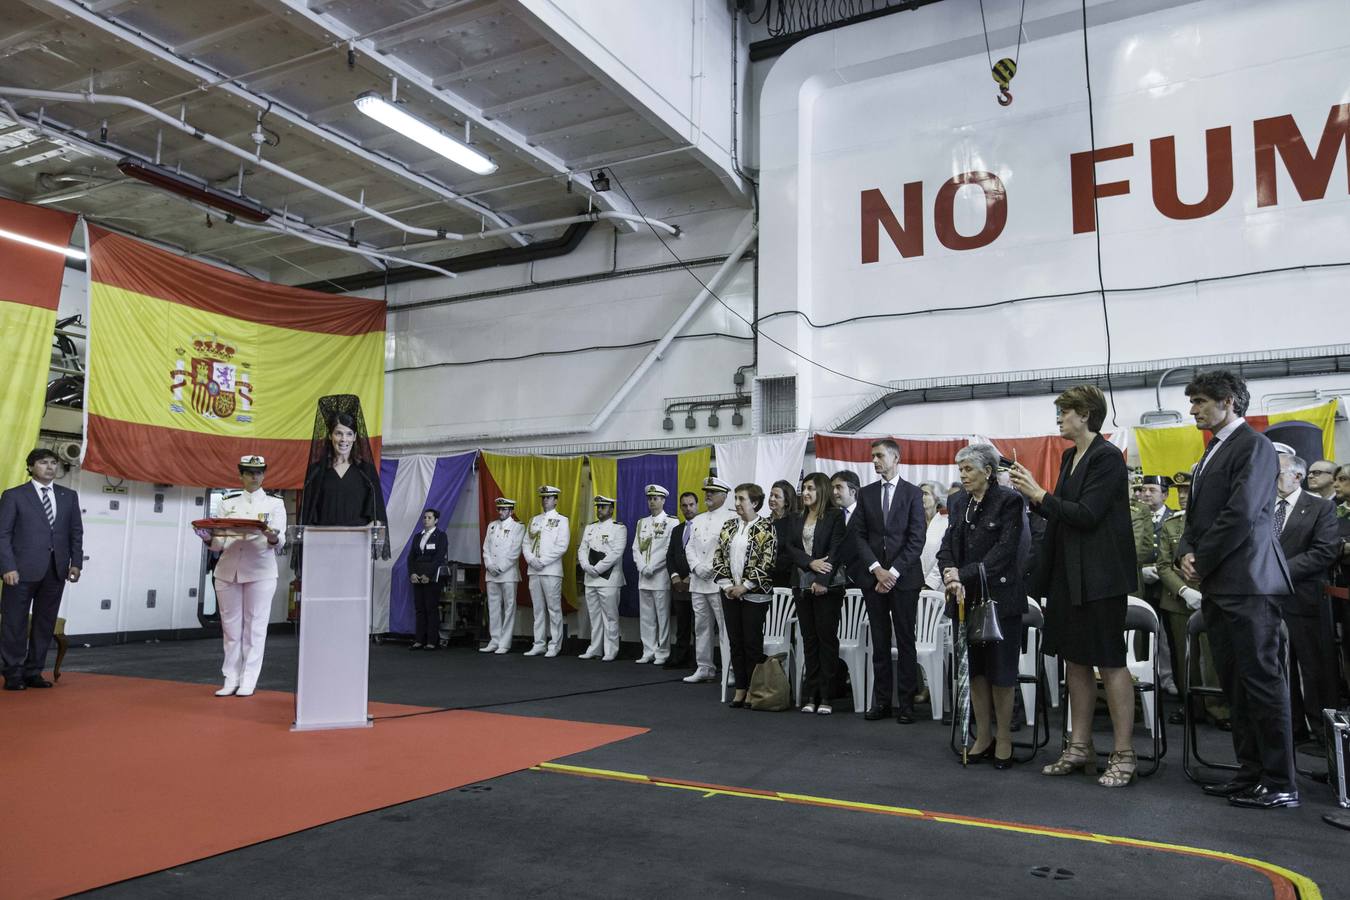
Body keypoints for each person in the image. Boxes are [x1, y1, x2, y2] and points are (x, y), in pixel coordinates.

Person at [1176, 369, 1297, 809]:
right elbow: (1195, 516)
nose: (1193, 409)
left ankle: (1280, 781)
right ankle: (1251, 774)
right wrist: (1186, 550)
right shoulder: (1213, 451)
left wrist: (1201, 558)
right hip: (1223, 585)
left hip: (1250, 584)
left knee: (1262, 682)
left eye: (1200, 402)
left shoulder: (1254, 446)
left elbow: (1241, 513)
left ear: (1227, 402)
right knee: (1237, 684)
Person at [1009, 385, 1139, 788]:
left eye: (1065, 412)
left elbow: (1086, 514)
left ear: (1085, 414)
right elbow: (1060, 511)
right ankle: (1080, 746)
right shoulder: (1069, 455)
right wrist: (1033, 493)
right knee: (1075, 661)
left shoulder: (1107, 458)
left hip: (1101, 577)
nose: (1059, 418)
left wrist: (1039, 494)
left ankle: (1124, 753)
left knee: (1110, 662)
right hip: (1069, 576)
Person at [939, 443, 1030, 768]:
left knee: (1001, 673)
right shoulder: (957, 501)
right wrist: (950, 575)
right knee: (975, 671)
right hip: (964, 598)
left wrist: (961, 575)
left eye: (968, 469)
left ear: (988, 472)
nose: (962, 475)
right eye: (960, 469)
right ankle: (984, 736)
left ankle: (1004, 737)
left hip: (1000, 599)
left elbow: (1004, 552)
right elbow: (947, 545)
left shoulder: (1009, 501)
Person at [851, 439, 926, 724]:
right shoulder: (867, 494)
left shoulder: (912, 494)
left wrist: (891, 573)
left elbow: (916, 539)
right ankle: (882, 702)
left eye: (880, 455)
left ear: (896, 458)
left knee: (906, 642)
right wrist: (875, 569)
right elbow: (858, 535)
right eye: (873, 456)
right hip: (873, 580)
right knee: (879, 642)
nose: (875, 461)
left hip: (904, 580)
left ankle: (906, 704)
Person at [198, 455, 286, 695]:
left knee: (255, 628)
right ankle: (230, 678)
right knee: (231, 628)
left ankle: (249, 679)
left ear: (264, 474)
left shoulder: (275, 504)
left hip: (260, 571)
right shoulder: (228, 502)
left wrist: (271, 536)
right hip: (228, 570)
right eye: (248, 472)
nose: (253, 476)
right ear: (241, 475)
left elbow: (280, 541)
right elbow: (220, 543)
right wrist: (207, 537)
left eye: (258, 472)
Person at [0, 449, 83, 691]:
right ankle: (13, 673)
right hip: (19, 571)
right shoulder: (14, 496)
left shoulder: (68, 496)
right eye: (43, 462)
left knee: (44, 624)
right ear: (31, 467)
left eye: (53, 463)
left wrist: (76, 563)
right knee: (14, 624)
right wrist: (7, 567)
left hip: (56, 570)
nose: (50, 467)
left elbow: (75, 532)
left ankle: (33, 671)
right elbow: (2, 534)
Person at [1272, 452, 1340, 745]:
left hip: (1305, 599)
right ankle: (1293, 729)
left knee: (1314, 669)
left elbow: (1324, 551)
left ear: (1296, 476)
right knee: (1278, 670)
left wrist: (1276, 571)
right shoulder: (1261, 508)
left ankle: (1324, 736)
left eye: (1276, 473)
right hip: (1268, 602)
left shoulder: (1320, 508)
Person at [1157, 472, 1231, 729]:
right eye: (1181, 492)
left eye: (1189, 490)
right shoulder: (1172, 525)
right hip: (1179, 601)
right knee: (1184, 656)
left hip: (1212, 595)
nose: (1184, 496)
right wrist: (1184, 591)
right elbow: (1164, 566)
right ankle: (1191, 706)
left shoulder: (1219, 520)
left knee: (1214, 656)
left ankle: (1219, 707)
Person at [712, 483, 778, 708]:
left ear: (755, 503)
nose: (737, 503)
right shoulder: (729, 525)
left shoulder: (766, 527)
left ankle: (754, 688)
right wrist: (728, 585)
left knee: (752, 643)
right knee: (735, 642)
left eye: (742, 499)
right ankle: (740, 687)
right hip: (729, 592)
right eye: (737, 499)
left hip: (755, 594)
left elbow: (767, 561)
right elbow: (718, 556)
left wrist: (746, 586)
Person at [790, 472, 846, 714]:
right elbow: (790, 547)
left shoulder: (834, 516)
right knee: (809, 640)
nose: (806, 493)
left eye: (811, 488)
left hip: (828, 587)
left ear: (822, 490)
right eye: (804, 488)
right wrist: (810, 563)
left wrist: (822, 579)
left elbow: (836, 550)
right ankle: (810, 693)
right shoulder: (797, 517)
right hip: (801, 584)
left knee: (826, 639)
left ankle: (826, 694)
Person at [300, 402, 388, 532]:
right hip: (323, 543)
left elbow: (378, 517)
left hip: (358, 544)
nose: (343, 439)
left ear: (355, 437)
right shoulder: (316, 471)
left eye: (349, 434)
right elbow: (306, 517)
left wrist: (361, 533)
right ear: (330, 436)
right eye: (338, 433)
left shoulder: (366, 471)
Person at [683, 476, 737, 684]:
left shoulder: (732, 518)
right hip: (698, 581)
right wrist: (696, 566)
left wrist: (713, 568)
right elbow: (689, 547)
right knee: (701, 627)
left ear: (723, 495)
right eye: (707, 492)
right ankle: (704, 667)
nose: (708, 495)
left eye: (712, 492)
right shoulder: (697, 519)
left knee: (725, 628)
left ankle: (730, 669)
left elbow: (729, 549)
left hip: (718, 582)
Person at [1134, 475, 1177, 694]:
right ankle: (1146, 677)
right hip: (1141, 582)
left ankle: (1170, 679)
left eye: (1152, 490)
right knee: (1142, 636)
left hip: (1166, 586)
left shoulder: (1175, 518)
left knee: (1169, 637)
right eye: (1143, 490)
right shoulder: (1134, 516)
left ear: (1165, 494)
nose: (1146, 494)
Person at [523, 485, 570, 657]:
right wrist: (531, 559)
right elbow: (526, 543)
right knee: (538, 609)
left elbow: (562, 546)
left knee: (553, 609)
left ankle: (554, 645)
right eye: (543, 497)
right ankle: (539, 643)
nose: (545, 500)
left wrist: (542, 561)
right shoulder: (534, 520)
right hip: (534, 570)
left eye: (549, 497)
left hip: (551, 570)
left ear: (556, 500)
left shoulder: (561, 520)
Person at [578, 495, 626, 661]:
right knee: (594, 616)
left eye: (603, 507)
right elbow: (582, 549)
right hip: (590, 577)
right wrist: (585, 566)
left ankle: (611, 650)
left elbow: (616, 553)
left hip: (609, 579)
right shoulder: (590, 527)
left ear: (611, 510)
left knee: (610, 616)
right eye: (598, 507)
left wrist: (597, 569)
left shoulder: (619, 528)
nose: (599, 510)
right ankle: (595, 649)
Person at [633, 484, 674, 664]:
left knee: (662, 617)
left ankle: (663, 652)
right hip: (644, 577)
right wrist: (642, 567)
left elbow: (668, 550)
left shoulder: (672, 522)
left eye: (655, 498)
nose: (652, 502)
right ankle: (648, 650)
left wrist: (653, 567)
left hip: (660, 576)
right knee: (646, 617)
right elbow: (635, 548)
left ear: (663, 500)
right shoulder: (642, 522)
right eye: (650, 498)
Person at [480, 498, 525, 654]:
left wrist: (500, 567)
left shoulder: (518, 527)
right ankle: (495, 640)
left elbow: (515, 551)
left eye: (504, 509)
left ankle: (504, 643)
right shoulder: (492, 526)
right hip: (491, 573)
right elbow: (486, 548)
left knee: (509, 608)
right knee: (493, 608)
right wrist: (490, 565)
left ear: (511, 511)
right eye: (499, 509)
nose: (500, 512)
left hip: (508, 574)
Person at [663, 491, 700, 670]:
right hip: (678, 585)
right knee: (682, 624)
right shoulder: (677, 529)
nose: (688, 508)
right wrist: (675, 576)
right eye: (684, 505)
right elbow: (670, 556)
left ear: (697, 505)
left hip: (697, 582)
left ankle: (697, 660)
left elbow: (705, 556)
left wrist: (690, 577)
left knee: (698, 625)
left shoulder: (702, 527)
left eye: (691, 504)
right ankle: (681, 657)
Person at [407, 508, 448, 651]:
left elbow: (438, 558)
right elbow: (411, 557)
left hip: (432, 576)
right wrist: (412, 573)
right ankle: (419, 639)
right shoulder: (418, 536)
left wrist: (428, 575)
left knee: (431, 608)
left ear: (436, 520)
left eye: (429, 518)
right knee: (419, 608)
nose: (426, 520)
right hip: (417, 575)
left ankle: (431, 641)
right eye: (424, 517)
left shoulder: (441, 536)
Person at [767, 480, 799, 590]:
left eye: (777, 496)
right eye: (771, 495)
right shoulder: (763, 523)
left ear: (786, 501)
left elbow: (791, 552)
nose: (771, 499)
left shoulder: (794, 523)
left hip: (784, 582)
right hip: (762, 580)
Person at [918, 481, 949, 590]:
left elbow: (946, 555)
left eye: (925, 493)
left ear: (937, 497)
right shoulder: (914, 520)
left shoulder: (946, 521)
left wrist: (930, 583)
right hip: (914, 583)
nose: (921, 497)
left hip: (939, 585)